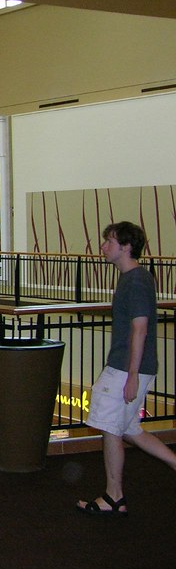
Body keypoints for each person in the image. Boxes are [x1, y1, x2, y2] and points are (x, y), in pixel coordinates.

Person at [76, 221, 176, 516]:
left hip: (125, 368)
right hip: (130, 367)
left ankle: (114, 496)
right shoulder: (134, 279)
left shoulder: (135, 281)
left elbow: (140, 329)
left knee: (110, 427)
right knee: (130, 428)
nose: (103, 246)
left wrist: (131, 376)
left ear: (126, 246)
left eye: (109, 241)